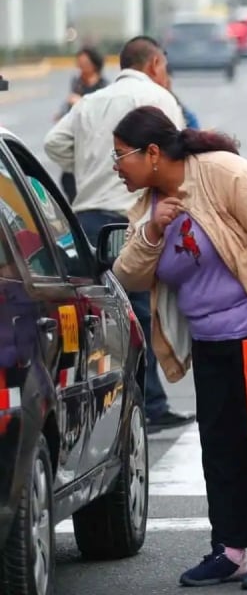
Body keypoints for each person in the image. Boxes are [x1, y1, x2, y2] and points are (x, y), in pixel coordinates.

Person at [109, 106, 247, 588]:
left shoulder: (225, 173)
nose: (116, 167)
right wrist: (154, 229)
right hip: (210, 341)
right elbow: (128, 274)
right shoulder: (147, 206)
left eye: (122, 157)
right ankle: (231, 550)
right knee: (220, 448)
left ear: (153, 153)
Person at [44, 36, 194, 434]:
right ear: (156, 63)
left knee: (96, 314)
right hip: (133, 217)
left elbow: (54, 143)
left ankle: (106, 404)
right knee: (141, 312)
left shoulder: (92, 101)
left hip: (88, 219)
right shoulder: (159, 100)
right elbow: (178, 156)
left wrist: (85, 165)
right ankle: (149, 404)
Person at [55, 46, 109, 202]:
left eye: (85, 63)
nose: (81, 67)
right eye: (79, 63)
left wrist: (80, 103)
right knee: (69, 178)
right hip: (75, 136)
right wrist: (61, 114)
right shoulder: (77, 82)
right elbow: (68, 103)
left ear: (94, 64)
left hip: (94, 138)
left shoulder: (104, 87)